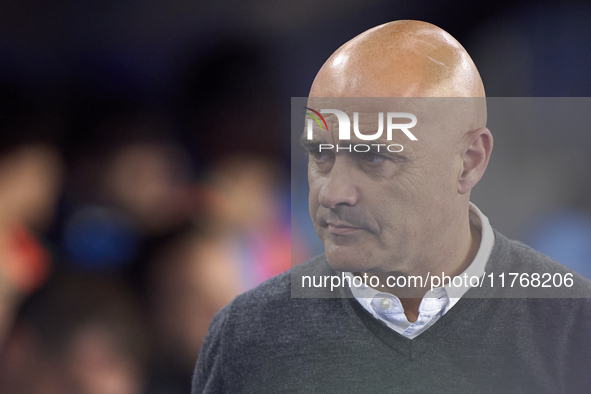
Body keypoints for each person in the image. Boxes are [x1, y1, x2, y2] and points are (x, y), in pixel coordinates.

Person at [192, 20, 591, 393]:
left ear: (468, 161)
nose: (333, 194)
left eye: (373, 157)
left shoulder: (571, 325)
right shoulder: (245, 337)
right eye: (321, 155)